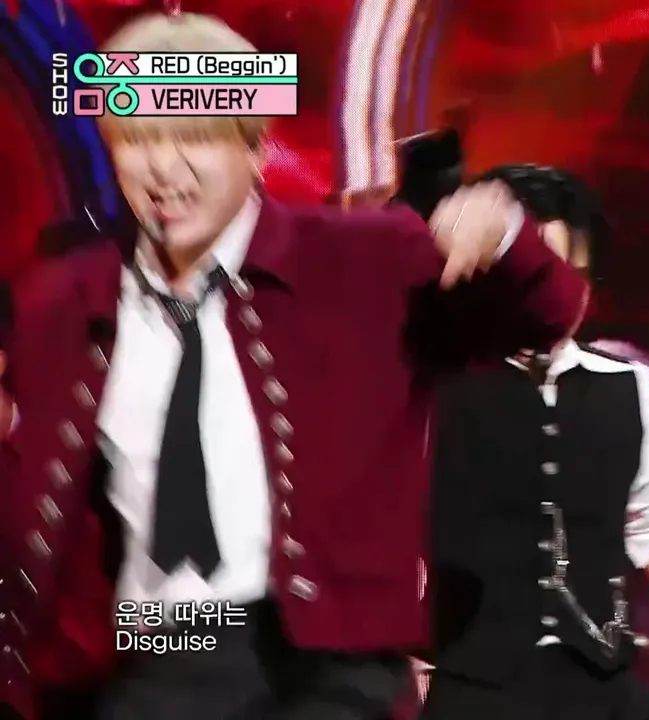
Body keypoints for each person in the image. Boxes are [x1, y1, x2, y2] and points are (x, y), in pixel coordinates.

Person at [0, 13, 586, 720]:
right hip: (148, 656)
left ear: (255, 148)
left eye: (194, 137)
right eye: (139, 138)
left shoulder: (366, 260)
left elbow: (544, 316)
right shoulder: (60, 302)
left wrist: (505, 235)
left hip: (330, 674)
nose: (164, 170)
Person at [419, 165, 649, 720]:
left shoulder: (624, 384)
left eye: (575, 275)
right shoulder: (435, 386)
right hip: (475, 692)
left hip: (603, 684)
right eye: (534, 270)